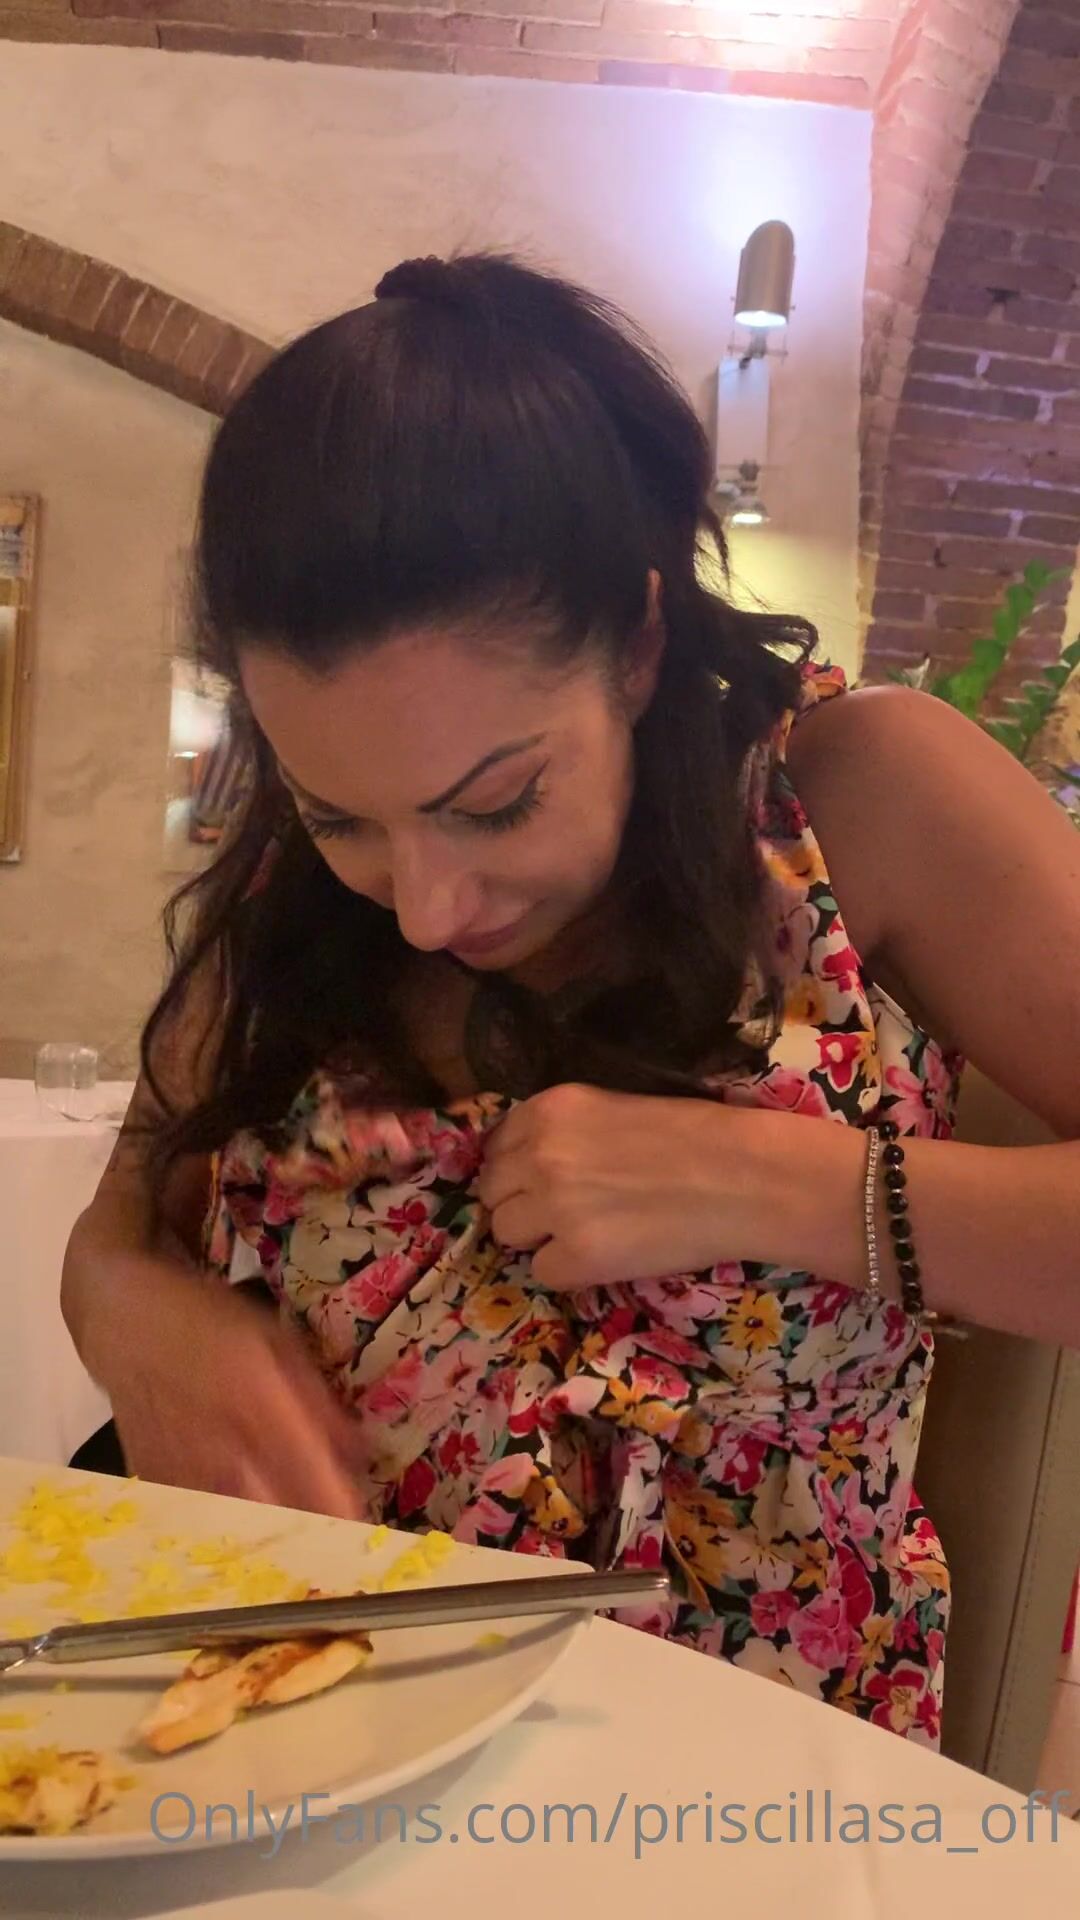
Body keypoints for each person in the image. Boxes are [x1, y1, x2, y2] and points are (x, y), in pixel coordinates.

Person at [63, 252, 1080, 1748]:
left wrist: (782, 1185)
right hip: (297, 1733)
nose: (424, 906)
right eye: (339, 815)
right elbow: (120, 1224)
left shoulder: (855, 797)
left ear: (640, 644)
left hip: (727, 1774)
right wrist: (135, 1314)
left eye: (497, 801)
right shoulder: (297, 903)